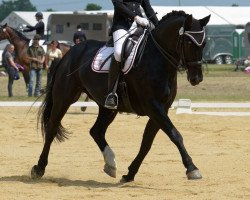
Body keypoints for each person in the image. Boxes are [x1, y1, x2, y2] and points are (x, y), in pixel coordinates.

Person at [104, 0, 159, 109]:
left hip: (139, 26)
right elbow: (118, 5)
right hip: (122, 25)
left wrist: (158, 26)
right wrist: (136, 17)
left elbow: (148, 9)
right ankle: (111, 93)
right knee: (119, 53)